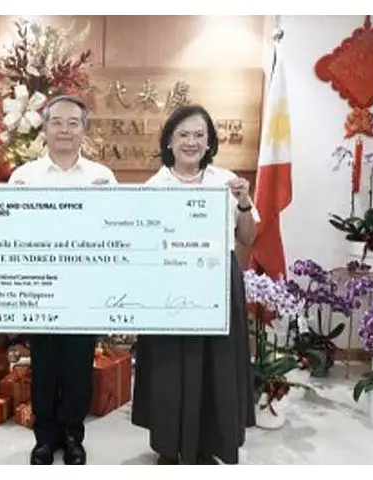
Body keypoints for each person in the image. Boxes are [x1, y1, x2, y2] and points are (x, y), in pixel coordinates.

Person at [131, 104, 259, 465]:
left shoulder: (227, 182)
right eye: (183, 134)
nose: (191, 142)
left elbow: (248, 238)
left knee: (216, 365)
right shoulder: (154, 187)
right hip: (168, 286)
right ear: (169, 141)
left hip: (218, 285)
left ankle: (208, 444)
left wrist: (244, 203)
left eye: (199, 135)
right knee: (170, 365)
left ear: (209, 142)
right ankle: (169, 445)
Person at [8, 95, 117, 465]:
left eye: (73, 123)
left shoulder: (102, 177)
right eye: (57, 122)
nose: (65, 130)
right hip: (40, 287)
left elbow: (116, 231)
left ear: (84, 129)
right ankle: (45, 437)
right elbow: (9, 230)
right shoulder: (24, 177)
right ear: (45, 128)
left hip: (84, 288)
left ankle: (72, 435)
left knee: (77, 364)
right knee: (44, 363)